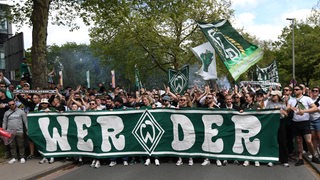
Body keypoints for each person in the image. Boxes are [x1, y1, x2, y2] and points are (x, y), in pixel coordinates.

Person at [287, 85, 320, 166]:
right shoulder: (291, 99)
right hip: (295, 123)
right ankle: (300, 158)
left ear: (301, 91)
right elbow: (287, 109)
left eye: (297, 89)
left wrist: (304, 111)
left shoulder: (307, 98)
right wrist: (290, 108)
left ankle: (314, 156)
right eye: (294, 89)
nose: (295, 91)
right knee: (299, 141)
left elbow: (315, 108)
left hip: (305, 122)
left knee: (308, 141)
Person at [265, 90, 289, 167]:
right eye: (272, 95)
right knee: (272, 141)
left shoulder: (282, 103)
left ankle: (284, 160)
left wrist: (280, 110)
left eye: (274, 95)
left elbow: (286, 114)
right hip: (272, 123)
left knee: (282, 141)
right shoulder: (269, 103)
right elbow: (265, 113)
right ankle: (272, 159)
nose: (272, 97)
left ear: (278, 96)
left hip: (281, 122)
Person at [240, 92, 262, 167]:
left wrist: (260, 111)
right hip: (246, 126)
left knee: (255, 142)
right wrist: (241, 112)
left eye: (247, 97)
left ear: (251, 97)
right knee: (246, 142)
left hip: (255, 127)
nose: (245, 98)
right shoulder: (243, 105)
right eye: (245, 97)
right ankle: (247, 159)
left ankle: (256, 159)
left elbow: (263, 115)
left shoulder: (257, 105)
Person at [309, 87, 320, 157]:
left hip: (318, 119)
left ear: (318, 92)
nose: (315, 92)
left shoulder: (319, 100)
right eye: (313, 90)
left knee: (319, 137)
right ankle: (315, 152)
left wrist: (311, 109)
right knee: (313, 138)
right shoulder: (309, 100)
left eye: (316, 91)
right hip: (310, 120)